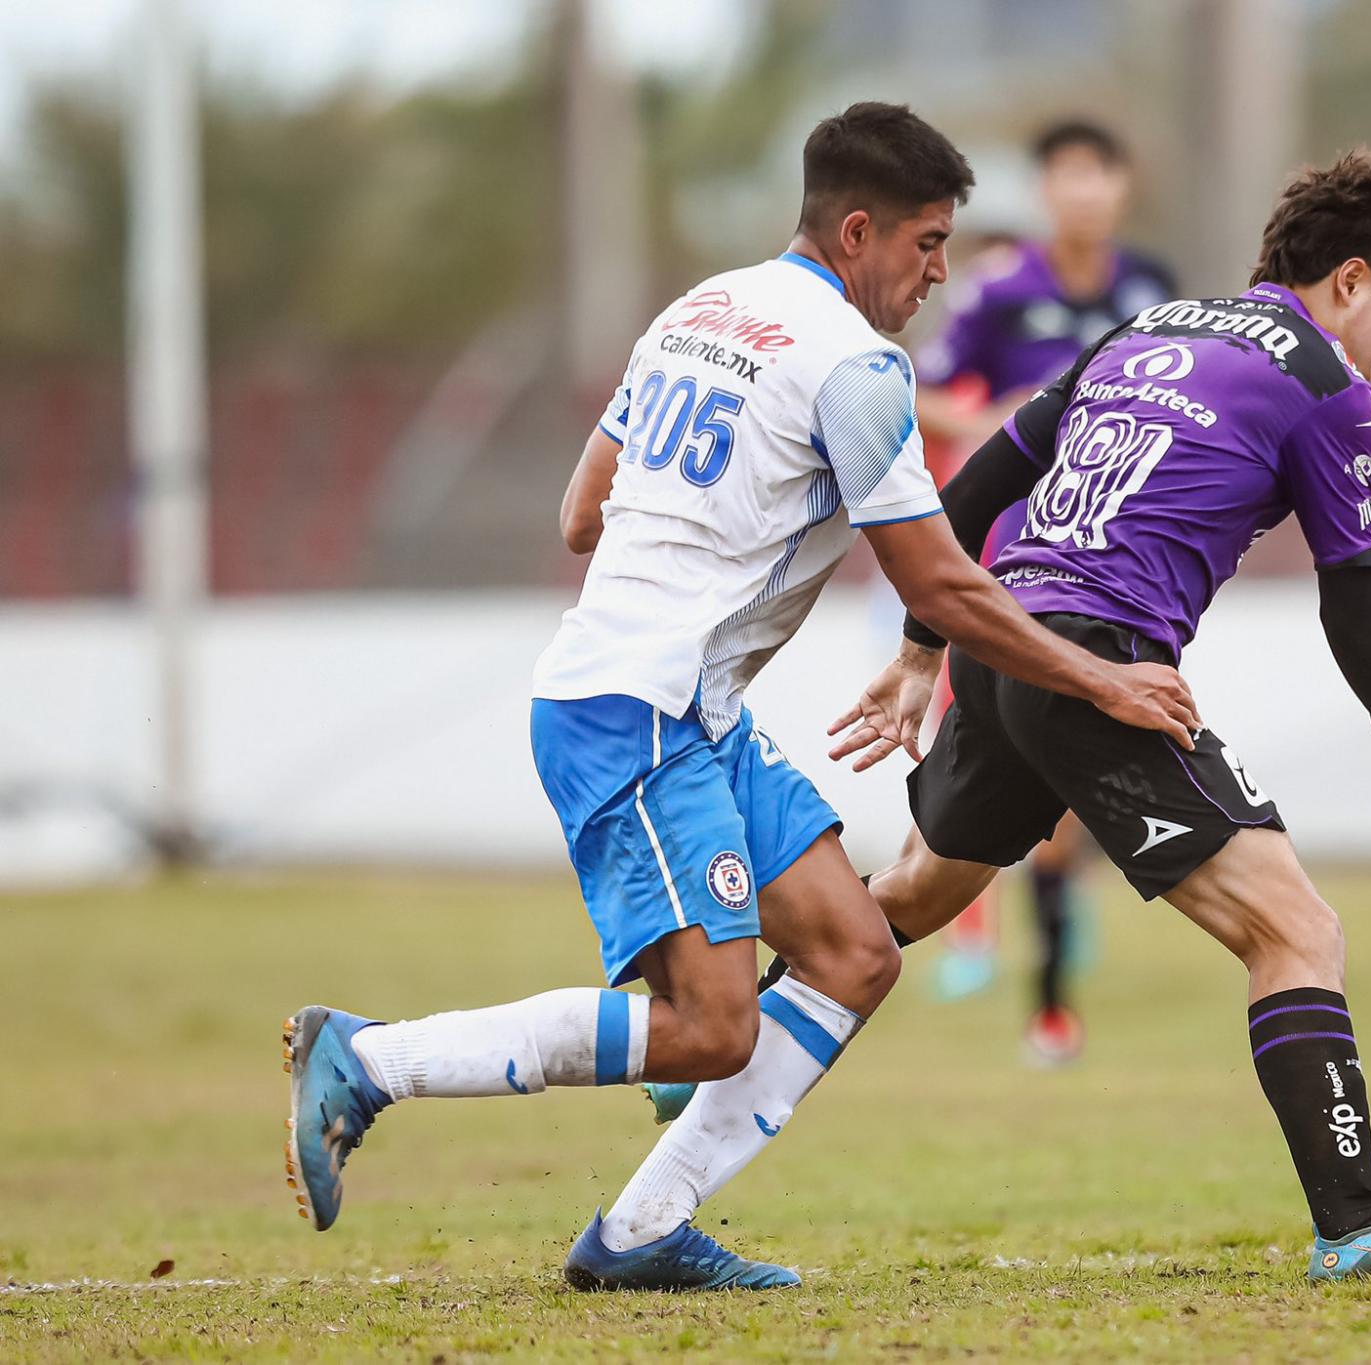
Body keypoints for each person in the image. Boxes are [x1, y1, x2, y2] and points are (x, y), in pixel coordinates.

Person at [280, 101, 1197, 1293]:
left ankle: (640, 1231)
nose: (937, 273)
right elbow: (938, 582)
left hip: (682, 708)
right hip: (637, 712)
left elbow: (577, 517)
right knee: (713, 1028)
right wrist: (1103, 682)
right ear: (858, 232)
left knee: (856, 953)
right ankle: (371, 1059)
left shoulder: (698, 309)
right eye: (925, 244)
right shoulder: (858, 366)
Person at [640, 148, 1371, 1282]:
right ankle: (1357, 1228)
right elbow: (1351, 589)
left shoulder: (1151, 327)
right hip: (1099, 669)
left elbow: (969, 487)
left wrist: (925, 649)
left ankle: (714, 1034)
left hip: (1002, 648)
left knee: (913, 896)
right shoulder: (1328, 389)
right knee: (1296, 934)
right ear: (1349, 282)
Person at [913, 119, 1178, 1062]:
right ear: (1045, 190)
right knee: (1017, 776)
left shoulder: (1153, 289)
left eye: (1098, 176)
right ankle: (1012, 973)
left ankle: (1046, 987)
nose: (1083, 194)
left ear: (1121, 187)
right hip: (1004, 558)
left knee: (1072, 793)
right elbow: (922, 389)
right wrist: (992, 419)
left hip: (1116, 567)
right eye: (1064, 178)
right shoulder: (999, 290)